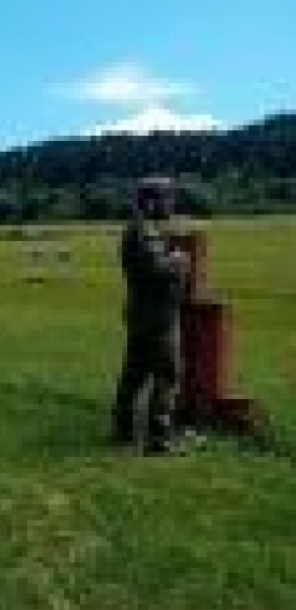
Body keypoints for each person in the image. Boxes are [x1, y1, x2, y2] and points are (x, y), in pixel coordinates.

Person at [112, 177, 189, 454]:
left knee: (134, 373)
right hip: (157, 315)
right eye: (167, 198)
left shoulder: (138, 229)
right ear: (151, 201)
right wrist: (178, 261)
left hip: (142, 312)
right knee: (167, 374)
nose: (172, 204)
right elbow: (156, 271)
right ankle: (160, 439)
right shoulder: (144, 231)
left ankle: (122, 429)